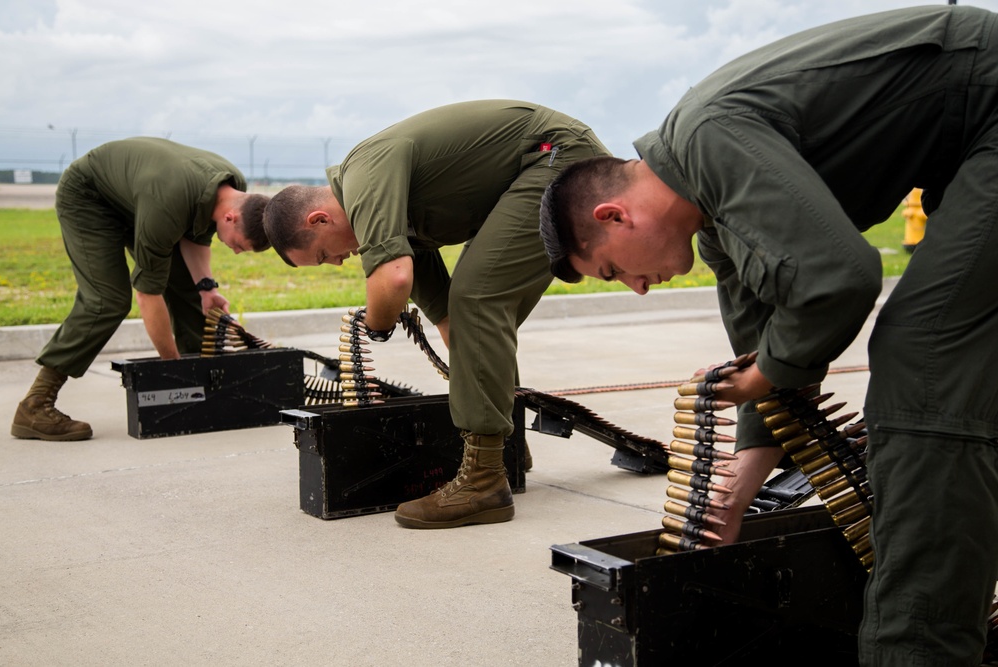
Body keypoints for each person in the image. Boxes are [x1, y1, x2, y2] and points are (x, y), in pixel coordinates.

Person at [538, 5, 998, 665]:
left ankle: (920, 648)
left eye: (614, 269)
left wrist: (765, 375)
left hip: (987, 108)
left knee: (922, 364)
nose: (636, 287)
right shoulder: (712, 216)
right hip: (968, 144)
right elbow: (761, 331)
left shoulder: (707, 139)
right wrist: (745, 472)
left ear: (615, 214)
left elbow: (837, 279)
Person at [263, 99, 610, 529]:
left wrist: (374, 326)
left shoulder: (365, 176)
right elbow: (452, 325)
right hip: (544, 163)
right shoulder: (387, 206)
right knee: (472, 316)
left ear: (318, 219)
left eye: (323, 256)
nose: (338, 262)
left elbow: (393, 279)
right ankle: (505, 451)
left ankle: (483, 483)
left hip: (557, 158)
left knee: (479, 300)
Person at [11, 137, 271, 442]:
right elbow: (148, 295)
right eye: (239, 245)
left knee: (188, 290)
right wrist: (172, 372)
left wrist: (206, 287)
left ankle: (201, 392)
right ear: (231, 217)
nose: (236, 252)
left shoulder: (232, 187)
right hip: (91, 197)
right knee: (107, 300)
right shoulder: (170, 202)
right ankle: (35, 404)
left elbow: (194, 235)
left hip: (140, 200)